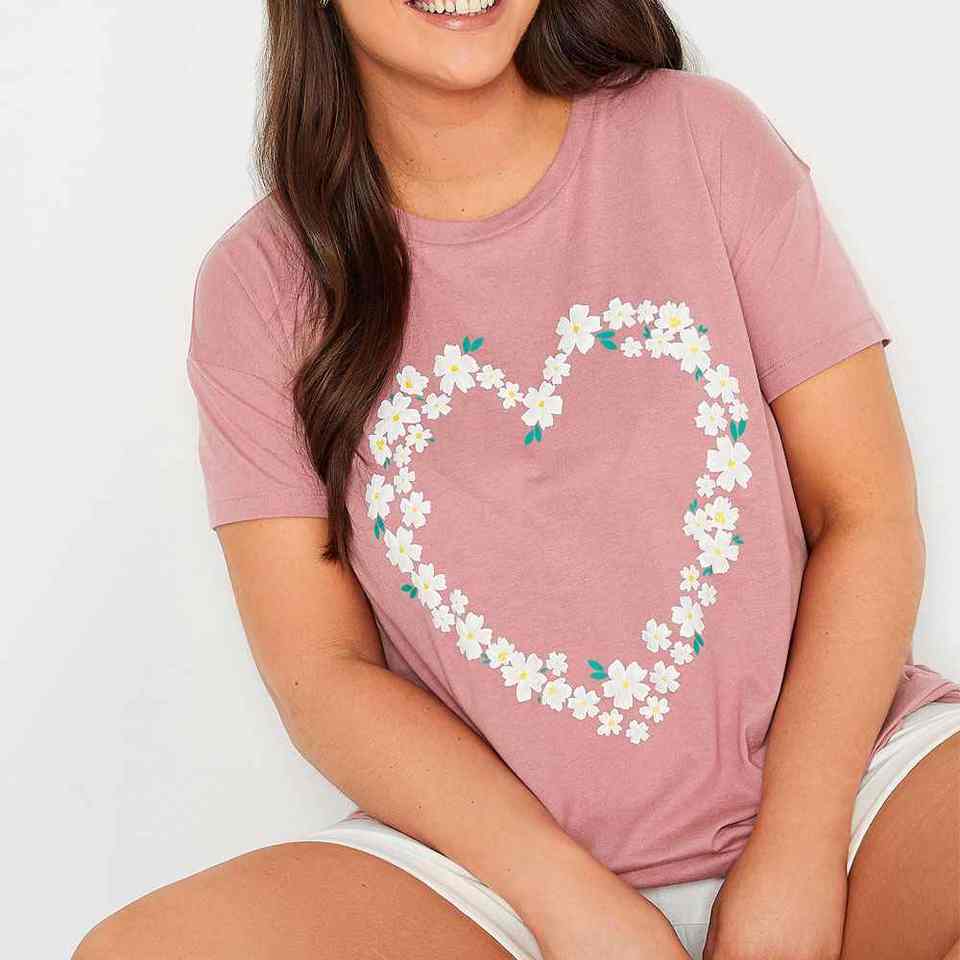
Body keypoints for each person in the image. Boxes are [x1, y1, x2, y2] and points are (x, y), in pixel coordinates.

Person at [74, 1, 960, 958]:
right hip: (486, 878)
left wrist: (800, 849)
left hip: (852, 796)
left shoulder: (701, 138)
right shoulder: (261, 289)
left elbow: (864, 512)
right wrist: (568, 903)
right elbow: (322, 672)